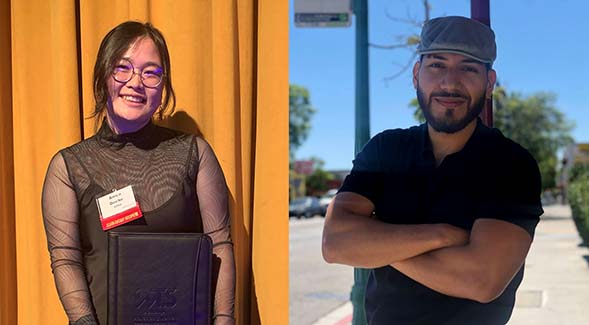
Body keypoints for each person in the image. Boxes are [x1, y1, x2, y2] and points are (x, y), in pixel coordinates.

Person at [322, 16, 544, 325]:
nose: (450, 82)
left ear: (489, 83)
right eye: (437, 66)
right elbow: (335, 243)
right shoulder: (386, 149)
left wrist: (375, 244)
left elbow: (480, 281)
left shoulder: (510, 164)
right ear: (416, 75)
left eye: (468, 68)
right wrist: (442, 235)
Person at [41, 21, 235, 324]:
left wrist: (224, 321)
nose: (136, 82)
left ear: (163, 86)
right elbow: (65, 257)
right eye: (122, 68)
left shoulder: (194, 154)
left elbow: (220, 245)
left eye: (151, 72)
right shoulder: (69, 167)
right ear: (102, 76)